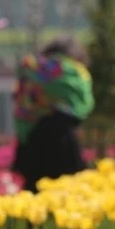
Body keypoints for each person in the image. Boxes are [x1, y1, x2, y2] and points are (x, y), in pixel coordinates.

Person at [11, 37, 94, 193]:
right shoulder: (76, 72)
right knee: (69, 196)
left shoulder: (32, 69)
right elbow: (83, 106)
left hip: (33, 141)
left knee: (36, 197)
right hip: (64, 141)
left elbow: (20, 105)